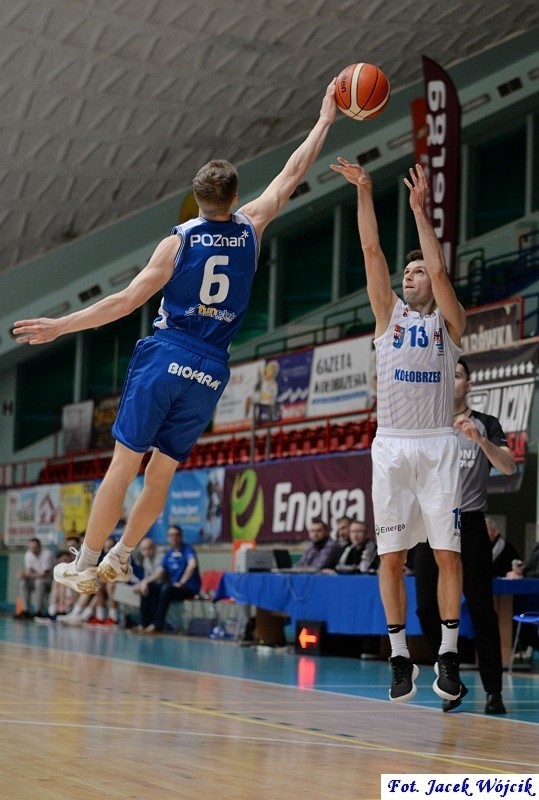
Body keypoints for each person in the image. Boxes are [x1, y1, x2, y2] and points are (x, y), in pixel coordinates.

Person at [12, 81, 338, 596]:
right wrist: (325, 119)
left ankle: (86, 563)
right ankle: (121, 557)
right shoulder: (252, 226)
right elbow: (292, 172)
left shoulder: (178, 242)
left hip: (168, 352)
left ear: (197, 199)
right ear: (234, 196)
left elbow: (123, 302)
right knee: (161, 471)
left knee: (124, 464)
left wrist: (59, 326)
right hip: (211, 368)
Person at [330, 158, 467, 704]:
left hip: (437, 444)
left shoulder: (447, 322)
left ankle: (450, 655)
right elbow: (371, 253)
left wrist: (419, 212)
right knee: (391, 559)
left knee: (446, 556)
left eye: (416, 273)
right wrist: (365, 192)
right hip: (391, 446)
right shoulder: (387, 316)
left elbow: (438, 272)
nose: (411, 277)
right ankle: (399, 657)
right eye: (406, 274)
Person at [415, 358, 516, 715]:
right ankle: (451, 681)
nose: (450, 380)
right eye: (446, 375)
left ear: (468, 385)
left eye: (457, 375)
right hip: (431, 527)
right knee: (426, 608)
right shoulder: (427, 423)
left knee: (480, 610)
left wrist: (481, 441)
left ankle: (494, 691)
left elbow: (509, 466)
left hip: (470, 524)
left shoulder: (486, 424)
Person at [134, 526, 200, 634]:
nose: (174, 537)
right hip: (172, 587)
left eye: (176, 535)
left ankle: (157, 625)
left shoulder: (188, 550)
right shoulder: (169, 553)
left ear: (181, 536)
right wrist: (145, 582)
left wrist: (182, 582)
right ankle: (144, 624)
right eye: (171, 535)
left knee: (166, 589)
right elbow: (160, 571)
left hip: (187, 587)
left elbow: (192, 565)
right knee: (149, 588)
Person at [15, 537, 55, 619]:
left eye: (34, 547)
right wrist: (22, 574)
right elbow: (28, 571)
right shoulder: (28, 554)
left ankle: (38, 611)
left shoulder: (47, 554)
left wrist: (28, 575)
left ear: (40, 547)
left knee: (39, 582)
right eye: (31, 547)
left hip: (49, 581)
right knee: (23, 582)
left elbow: (44, 574)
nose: (32, 549)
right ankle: (25, 610)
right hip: (36, 579)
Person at [132, 536, 163, 631]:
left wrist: (144, 583)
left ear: (154, 548)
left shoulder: (160, 557)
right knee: (144, 590)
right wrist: (141, 584)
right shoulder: (146, 560)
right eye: (144, 549)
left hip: (162, 584)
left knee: (150, 590)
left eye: (149, 548)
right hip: (152, 585)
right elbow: (146, 577)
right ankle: (143, 623)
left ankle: (151, 623)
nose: (147, 551)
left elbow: (159, 575)